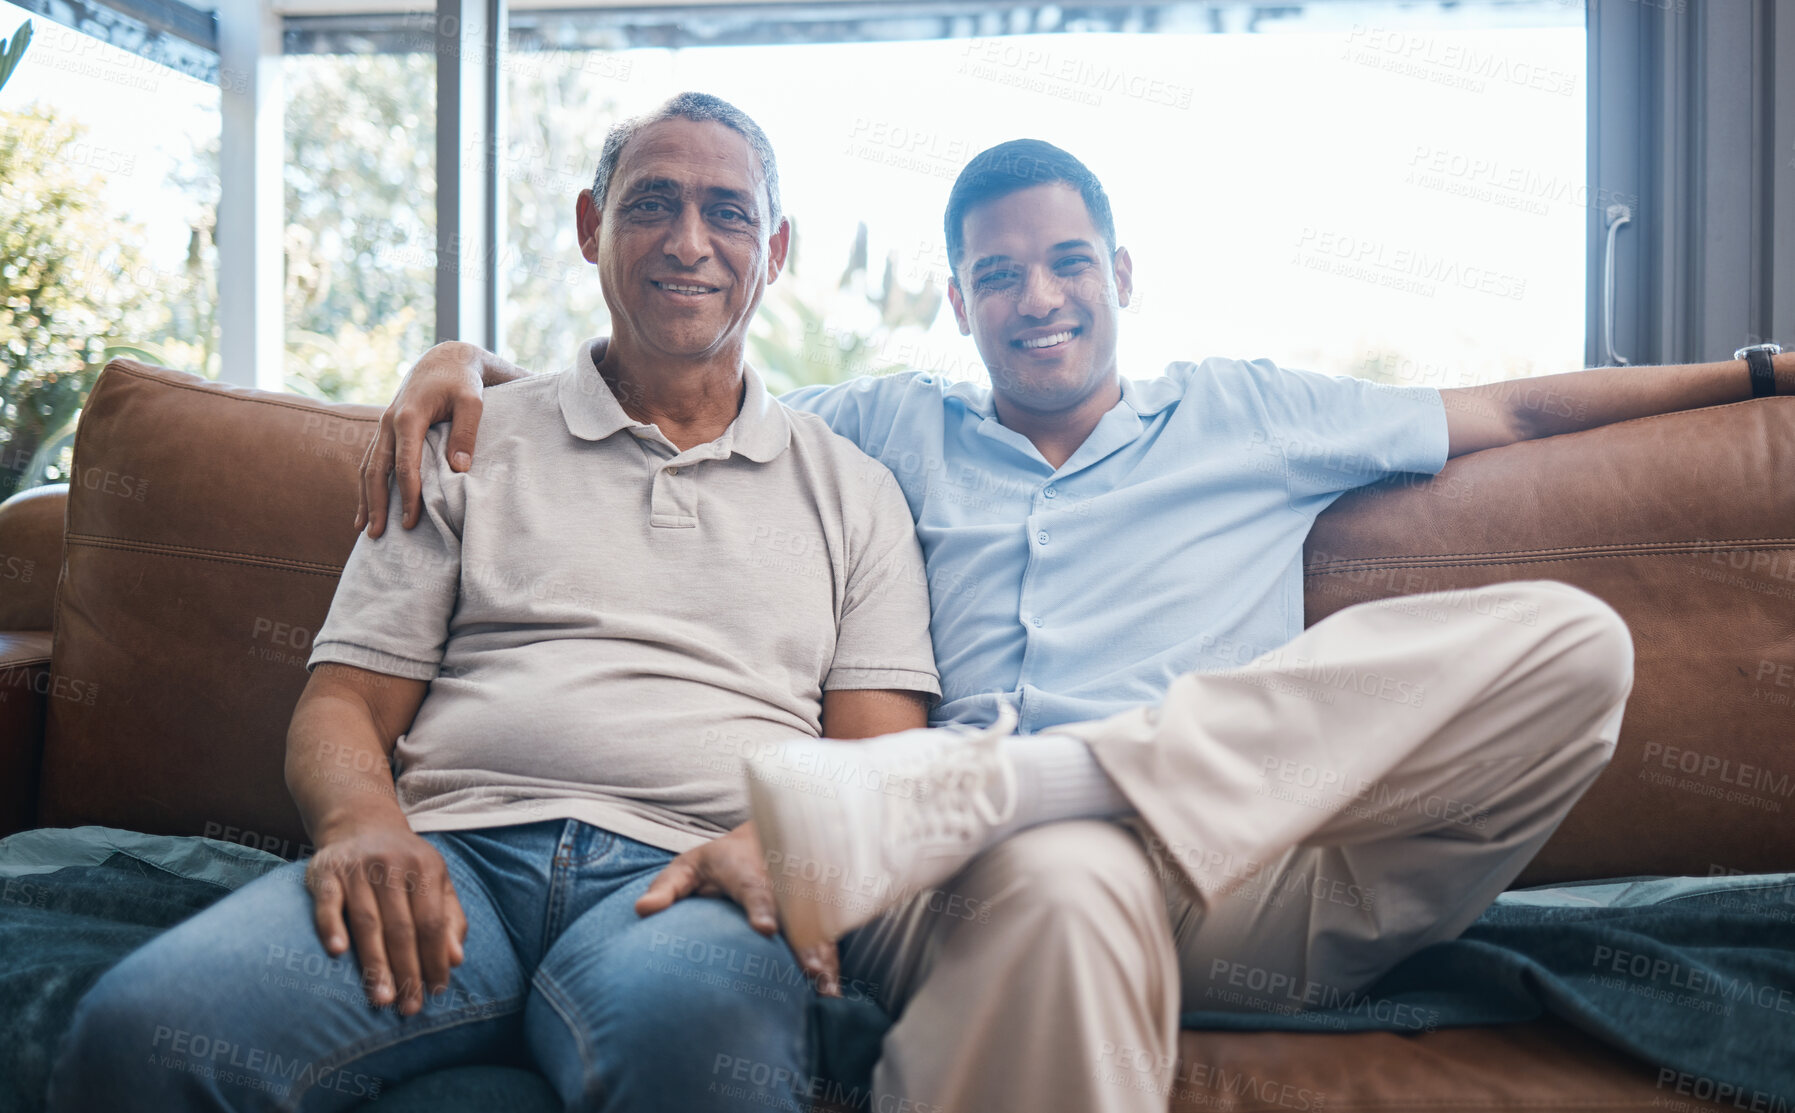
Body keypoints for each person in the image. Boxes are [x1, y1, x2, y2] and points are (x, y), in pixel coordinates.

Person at [360, 133, 1786, 1111]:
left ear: (1119, 274)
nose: (1034, 300)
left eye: (1064, 264)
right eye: (995, 275)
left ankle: (1001, 780)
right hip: (995, 884)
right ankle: (1002, 813)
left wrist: (1755, 372)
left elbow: (1520, 410)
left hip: (1249, 868)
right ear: (958, 301)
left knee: (1567, 642)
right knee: (1059, 879)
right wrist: (468, 358)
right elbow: (670, 375)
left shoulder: (1249, 410)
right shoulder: (878, 430)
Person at [47, 92, 943, 1113]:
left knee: (694, 1046)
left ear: (774, 247)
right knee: (141, 1031)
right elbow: (344, 701)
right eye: (652, 203)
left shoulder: (856, 491)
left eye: (728, 212)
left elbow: (877, 755)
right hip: (446, 860)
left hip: (688, 881)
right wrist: (360, 823)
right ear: (588, 228)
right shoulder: (468, 439)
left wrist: (775, 846)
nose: (689, 241)